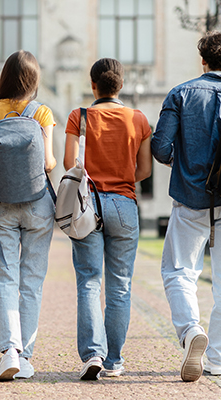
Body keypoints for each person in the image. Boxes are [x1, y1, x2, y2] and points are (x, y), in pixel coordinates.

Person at [63, 58, 152, 380]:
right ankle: (114, 360)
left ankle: (92, 355)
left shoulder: (79, 116)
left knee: (89, 281)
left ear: (92, 85)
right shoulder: (138, 119)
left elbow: (68, 163)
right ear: (121, 85)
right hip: (124, 205)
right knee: (120, 286)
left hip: (87, 205)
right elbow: (144, 170)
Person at [0, 50, 57, 381]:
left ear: (4, 77)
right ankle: (27, 357)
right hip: (38, 205)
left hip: (0, 204)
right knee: (32, 281)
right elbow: (50, 163)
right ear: (34, 80)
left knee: (5, 279)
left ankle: (9, 351)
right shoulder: (43, 112)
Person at [151, 31, 221, 382]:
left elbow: (161, 148)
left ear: (203, 61)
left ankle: (191, 330)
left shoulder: (181, 93)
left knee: (179, 271)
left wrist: (183, 161)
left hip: (190, 195)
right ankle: (218, 359)